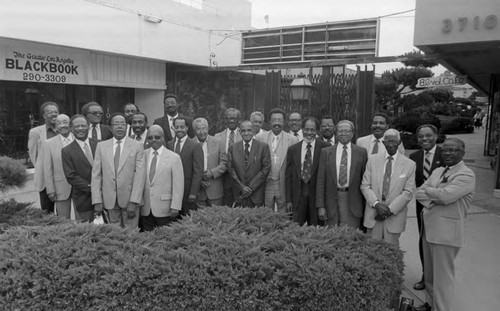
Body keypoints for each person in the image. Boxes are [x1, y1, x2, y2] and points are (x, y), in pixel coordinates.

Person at [414, 138, 475, 311]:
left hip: (446, 233)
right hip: (429, 229)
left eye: (453, 150)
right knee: (430, 275)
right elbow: (419, 193)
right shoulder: (438, 171)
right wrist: (436, 195)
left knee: (443, 278)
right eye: (445, 150)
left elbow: (446, 196)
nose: (447, 153)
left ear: (462, 153)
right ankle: (430, 304)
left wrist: (432, 192)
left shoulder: (466, 174)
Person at [361, 129, 416, 246]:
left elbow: (408, 192)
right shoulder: (372, 160)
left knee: (392, 252)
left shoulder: (409, 164)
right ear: (383, 143)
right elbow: (365, 185)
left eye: (394, 141)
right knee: (372, 250)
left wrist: (389, 210)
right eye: (387, 141)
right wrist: (376, 204)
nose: (391, 144)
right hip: (373, 214)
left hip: (394, 217)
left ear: (399, 142)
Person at [91, 113, 145, 229]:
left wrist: (134, 201)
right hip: (109, 200)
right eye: (116, 124)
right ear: (110, 128)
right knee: (113, 235)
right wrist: (97, 200)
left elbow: (140, 176)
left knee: (131, 235)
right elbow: (96, 175)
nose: (119, 127)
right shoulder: (101, 146)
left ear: (127, 127)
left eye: (122, 124)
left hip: (130, 200)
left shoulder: (137, 146)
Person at [409, 124, 445, 291]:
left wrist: (430, 195)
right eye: (421, 136)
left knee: (438, 243)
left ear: (436, 136)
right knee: (423, 240)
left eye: (428, 135)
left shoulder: (445, 155)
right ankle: (426, 275)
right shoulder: (414, 157)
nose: (424, 139)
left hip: (441, 207)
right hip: (420, 207)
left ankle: (439, 278)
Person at [316, 120, 368, 228]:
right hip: (331, 201)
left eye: (347, 131)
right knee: (332, 236)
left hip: (353, 201)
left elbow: (365, 180)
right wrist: (321, 206)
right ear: (336, 133)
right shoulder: (326, 152)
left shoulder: (361, 152)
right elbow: (321, 181)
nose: (343, 133)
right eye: (340, 131)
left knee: (351, 237)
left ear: (352, 133)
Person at [285, 117, 330, 225]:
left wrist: (323, 203)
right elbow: (288, 176)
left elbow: (328, 177)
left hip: (316, 200)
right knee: (295, 230)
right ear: (302, 129)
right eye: (306, 129)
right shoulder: (293, 149)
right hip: (298, 198)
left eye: (312, 130)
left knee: (316, 231)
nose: (309, 133)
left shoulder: (326, 148)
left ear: (317, 131)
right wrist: (289, 200)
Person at [141, 125, 184, 231]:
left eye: (157, 137)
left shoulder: (174, 157)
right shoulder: (142, 155)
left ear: (163, 138)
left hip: (166, 208)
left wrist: (176, 206)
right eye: (150, 138)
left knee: (165, 240)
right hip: (145, 208)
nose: (153, 140)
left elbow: (178, 185)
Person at [255, 108, 298, 211]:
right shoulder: (260, 138)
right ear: (269, 122)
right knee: (265, 213)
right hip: (267, 183)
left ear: (284, 122)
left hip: (282, 183)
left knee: (284, 214)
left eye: (280, 120)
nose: (277, 123)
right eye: (274, 120)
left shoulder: (292, 139)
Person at [61, 114, 98, 222]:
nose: (80, 128)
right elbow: (71, 176)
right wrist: (92, 187)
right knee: (86, 230)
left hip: (105, 196)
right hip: (83, 198)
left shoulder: (100, 144)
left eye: (83, 125)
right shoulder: (67, 151)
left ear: (89, 127)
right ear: (71, 129)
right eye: (77, 126)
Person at [227, 120, 271, 208]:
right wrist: (242, 187)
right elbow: (230, 169)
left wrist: (250, 187)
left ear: (254, 131)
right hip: (239, 194)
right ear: (240, 132)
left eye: (249, 130)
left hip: (256, 194)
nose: (246, 133)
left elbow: (266, 169)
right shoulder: (233, 148)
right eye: (243, 131)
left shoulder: (263, 147)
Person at [167, 116, 203, 215]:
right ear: (173, 128)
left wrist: (193, 192)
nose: (179, 130)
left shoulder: (195, 146)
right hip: (171, 191)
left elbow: (198, 171)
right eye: (176, 127)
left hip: (188, 192)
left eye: (182, 127)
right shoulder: (169, 145)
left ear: (187, 128)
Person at [28, 101, 59, 214]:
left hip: (62, 178)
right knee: (47, 212)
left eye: (56, 112)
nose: (54, 114)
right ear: (44, 115)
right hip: (45, 179)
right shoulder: (36, 132)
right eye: (50, 112)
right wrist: (45, 168)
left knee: (63, 213)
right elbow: (34, 156)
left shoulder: (64, 131)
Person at [43, 114, 74, 219]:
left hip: (80, 187)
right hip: (60, 187)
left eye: (65, 122)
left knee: (82, 220)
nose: (62, 126)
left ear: (70, 124)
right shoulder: (48, 144)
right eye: (58, 123)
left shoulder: (80, 139)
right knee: (63, 220)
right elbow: (47, 168)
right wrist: (50, 189)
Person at [193, 118, 228, 207]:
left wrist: (212, 173)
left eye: (204, 128)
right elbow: (188, 168)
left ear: (208, 129)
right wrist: (198, 180)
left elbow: (224, 163)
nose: (202, 132)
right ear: (194, 131)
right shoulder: (190, 144)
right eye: (198, 129)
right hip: (197, 191)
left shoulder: (218, 142)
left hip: (215, 190)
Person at [215, 108, 242, 206]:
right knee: (225, 204)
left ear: (239, 120)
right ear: (225, 120)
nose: (231, 120)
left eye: (234, 118)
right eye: (229, 118)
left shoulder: (245, 135)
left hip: (240, 176)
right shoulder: (217, 137)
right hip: (223, 176)